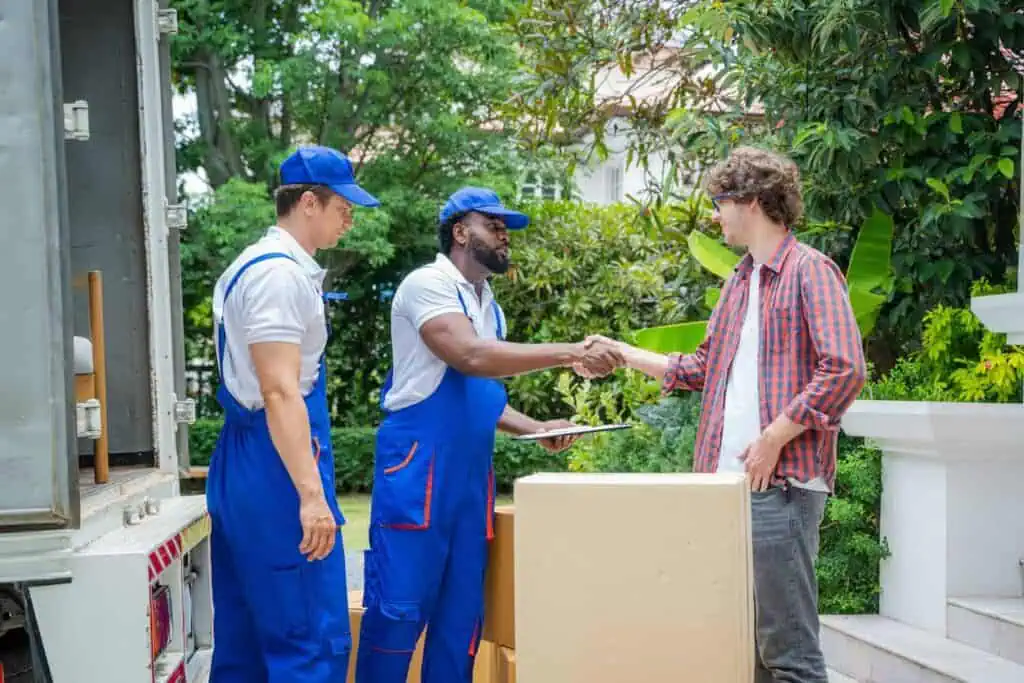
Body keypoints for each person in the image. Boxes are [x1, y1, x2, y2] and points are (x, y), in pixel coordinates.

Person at [586, 147, 867, 683]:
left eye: (720, 201)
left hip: (780, 486)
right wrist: (622, 351)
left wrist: (774, 438)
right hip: (726, 488)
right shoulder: (740, 282)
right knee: (745, 650)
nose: (714, 215)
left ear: (754, 201)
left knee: (789, 654)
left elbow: (845, 369)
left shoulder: (810, 272)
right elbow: (699, 368)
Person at [355, 186, 622, 683]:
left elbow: (479, 394)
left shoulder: (486, 300)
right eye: (493, 225)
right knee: (399, 611)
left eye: (506, 229)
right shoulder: (427, 284)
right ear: (460, 231)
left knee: (461, 622)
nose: (504, 236)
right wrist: (572, 351)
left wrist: (535, 427)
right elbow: (471, 357)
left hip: (471, 478)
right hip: (419, 468)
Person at [206, 145, 381, 682]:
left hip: (252, 454)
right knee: (308, 638)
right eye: (342, 205)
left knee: (247, 640)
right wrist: (311, 495)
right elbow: (280, 391)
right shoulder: (278, 277)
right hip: (276, 459)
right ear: (308, 202)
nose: (349, 217)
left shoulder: (259, 266)